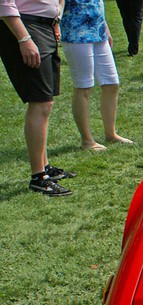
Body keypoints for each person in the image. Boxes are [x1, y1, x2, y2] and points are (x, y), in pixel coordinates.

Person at [0, 0, 75, 196]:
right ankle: (38, 177)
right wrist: (24, 38)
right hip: (26, 27)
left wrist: (55, 19)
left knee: (46, 101)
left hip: (45, 26)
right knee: (40, 101)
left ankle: (45, 166)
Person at [60, 0, 132, 151]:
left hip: (98, 31)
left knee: (111, 83)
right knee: (83, 86)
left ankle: (111, 134)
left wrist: (105, 28)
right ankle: (87, 141)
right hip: (76, 32)